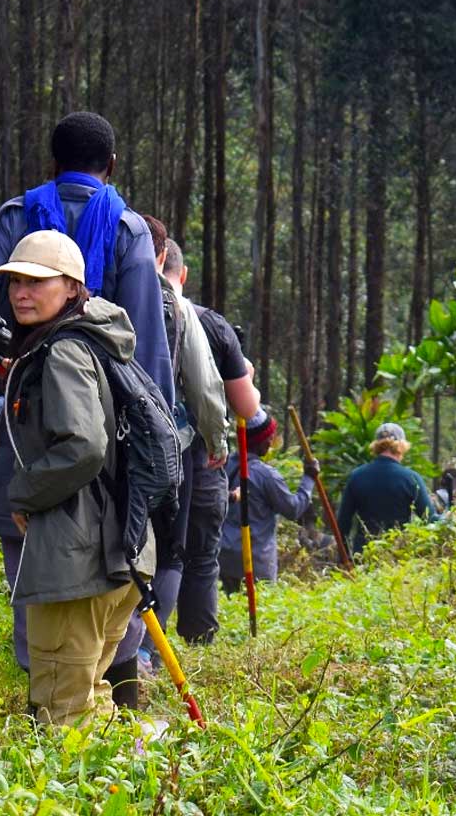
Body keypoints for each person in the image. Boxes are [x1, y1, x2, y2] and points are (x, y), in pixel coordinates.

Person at [0, 112, 172, 674]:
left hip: (22, 415)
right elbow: (145, 347)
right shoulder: (128, 231)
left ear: (52, 164)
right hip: (112, 434)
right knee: (113, 549)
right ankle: (114, 690)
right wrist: (154, 442)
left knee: (26, 553)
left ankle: (44, 694)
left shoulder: (15, 219)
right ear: (113, 166)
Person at [0, 230, 155, 725]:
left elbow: (84, 447)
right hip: (118, 552)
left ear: (70, 287)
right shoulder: (96, 339)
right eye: (16, 280)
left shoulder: (64, 352)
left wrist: (22, 494)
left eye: (38, 282)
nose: (22, 292)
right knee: (87, 697)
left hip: (77, 561)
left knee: (61, 714)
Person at [111, 221, 227, 692]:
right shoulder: (179, 306)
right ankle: (141, 652)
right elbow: (203, 382)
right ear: (163, 257)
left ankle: (115, 646)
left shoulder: (100, 291)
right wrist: (216, 439)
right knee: (169, 551)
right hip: (168, 446)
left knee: (119, 541)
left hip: (108, 444)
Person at [158, 239, 254, 644]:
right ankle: (198, 638)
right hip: (204, 455)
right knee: (199, 554)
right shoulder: (214, 326)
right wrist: (247, 374)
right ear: (183, 274)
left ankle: (140, 647)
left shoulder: (129, 314)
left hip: (148, 451)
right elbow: (246, 407)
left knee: (156, 548)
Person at [220, 410, 316, 589]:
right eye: (269, 437)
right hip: (255, 563)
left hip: (223, 557)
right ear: (259, 441)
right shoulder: (265, 475)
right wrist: (309, 479)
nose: (271, 441)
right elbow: (293, 509)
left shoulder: (224, 464)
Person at [335, 422, 435, 556]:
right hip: (398, 554)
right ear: (402, 447)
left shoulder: (357, 476)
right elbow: (429, 518)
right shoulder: (411, 478)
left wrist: (344, 557)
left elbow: (343, 522)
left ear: (377, 446)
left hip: (364, 554)